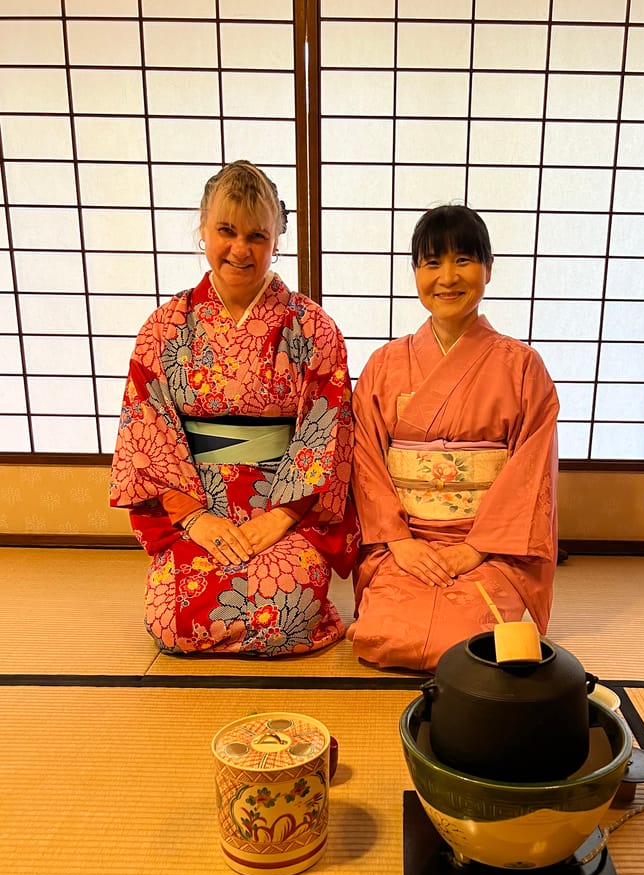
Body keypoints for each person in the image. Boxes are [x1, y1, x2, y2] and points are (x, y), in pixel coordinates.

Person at [110, 160, 359, 656]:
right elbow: (148, 429)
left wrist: (281, 516)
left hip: (284, 504)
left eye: (257, 236)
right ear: (203, 228)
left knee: (287, 609)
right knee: (172, 621)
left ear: (276, 239)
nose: (240, 249)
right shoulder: (165, 327)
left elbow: (326, 431)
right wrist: (194, 516)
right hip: (197, 502)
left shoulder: (312, 328)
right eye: (226, 231)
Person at [347, 204, 558, 671]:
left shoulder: (522, 368)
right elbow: (364, 460)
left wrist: (474, 548)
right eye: (432, 262)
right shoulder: (384, 365)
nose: (448, 276)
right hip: (404, 542)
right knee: (382, 637)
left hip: (490, 548)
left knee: (475, 647)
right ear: (415, 272)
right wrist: (398, 541)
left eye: (463, 260)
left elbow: (531, 472)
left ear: (488, 269)